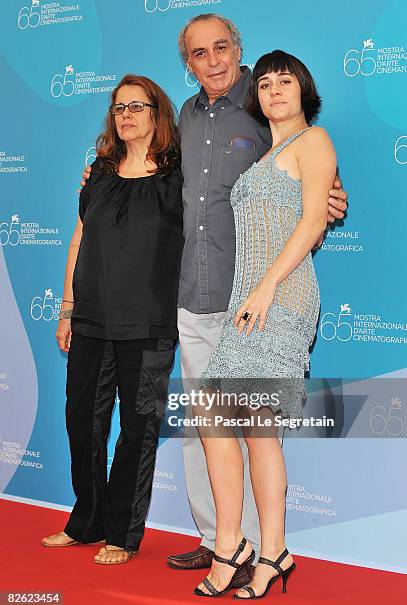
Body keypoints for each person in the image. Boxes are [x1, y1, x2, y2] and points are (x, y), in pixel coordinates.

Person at [81, 14, 347, 576]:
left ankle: (257, 546)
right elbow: (157, 178)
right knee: (206, 432)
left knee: (252, 431)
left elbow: (304, 173)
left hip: (251, 298)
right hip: (190, 294)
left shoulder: (267, 99)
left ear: (237, 48)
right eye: (199, 53)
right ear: (189, 63)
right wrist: (99, 179)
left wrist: (331, 199)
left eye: (221, 47)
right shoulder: (183, 114)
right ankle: (218, 538)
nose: (214, 60)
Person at [192, 49, 336, 599]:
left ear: (304, 91)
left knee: (256, 424)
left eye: (287, 82)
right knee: (214, 416)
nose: (276, 90)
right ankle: (236, 545)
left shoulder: (314, 143)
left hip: (283, 296)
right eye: (268, 82)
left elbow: (314, 218)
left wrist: (268, 285)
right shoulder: (263, 155)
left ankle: (269, 548)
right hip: (246, 303)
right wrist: (252, 293)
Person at [42, 75, 183, 565]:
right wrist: (67, 308)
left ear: (156, 114)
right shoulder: (98, 174)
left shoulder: (178, 178)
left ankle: (122, 533)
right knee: (82, 423)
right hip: (91, 321)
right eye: (119, 107)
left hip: (148, 325)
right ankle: (87, 521)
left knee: (138, 429)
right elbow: (79, 241)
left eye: (136, 106)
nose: (126, 115)